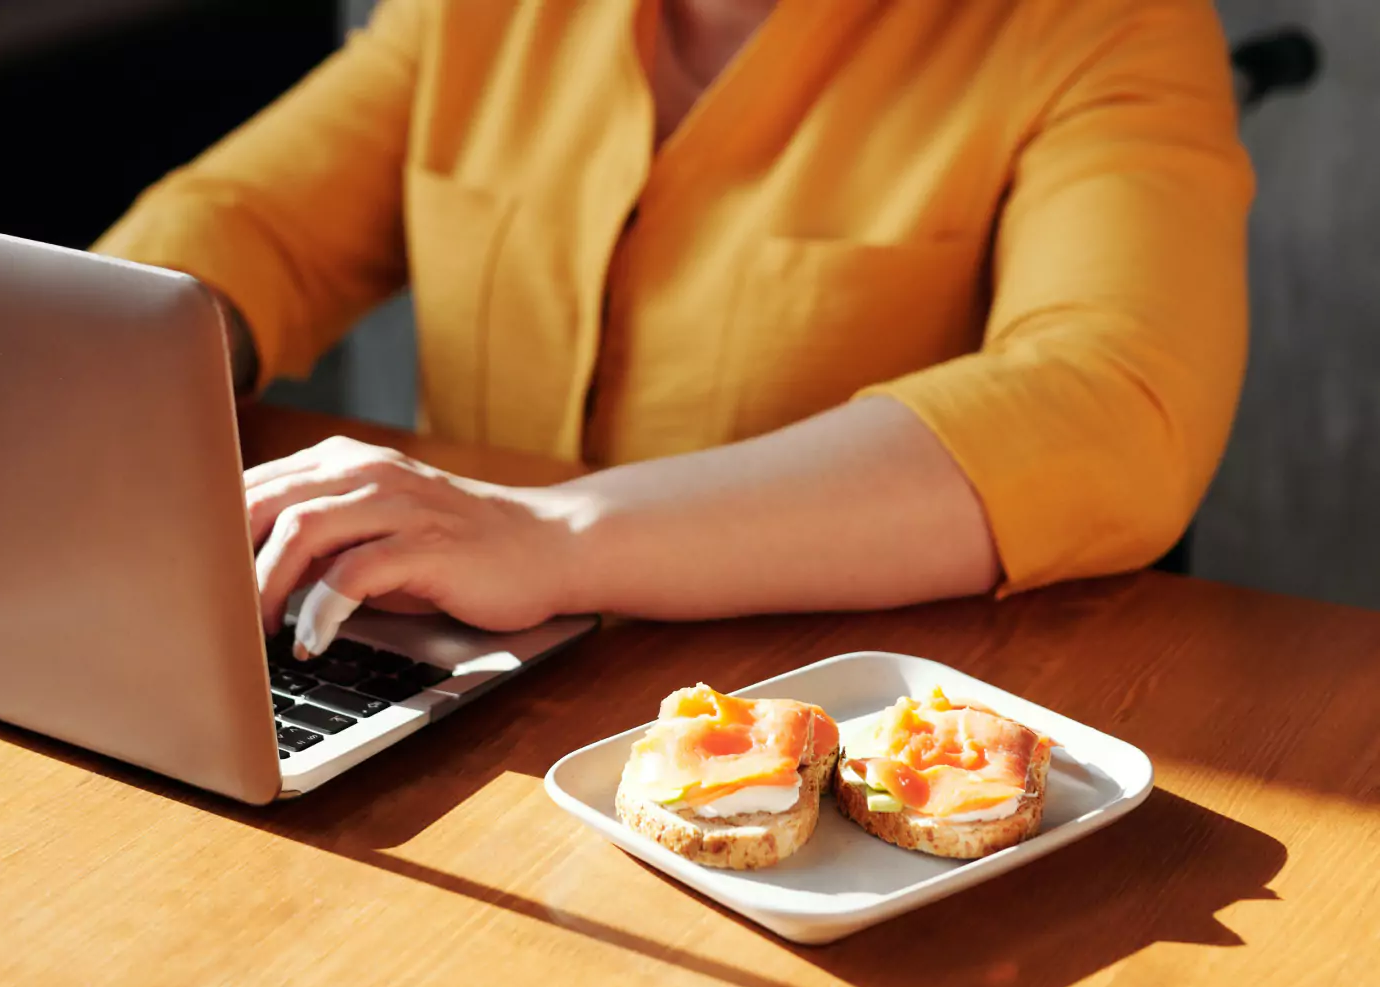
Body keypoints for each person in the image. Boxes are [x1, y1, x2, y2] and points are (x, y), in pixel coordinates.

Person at [94, 0, 1252, 653]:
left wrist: (554, 536)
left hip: (826, 745)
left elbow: (1115, 402)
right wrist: (83, 389)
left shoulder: (1108, 22)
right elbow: (240, 225)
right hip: (457, 682)